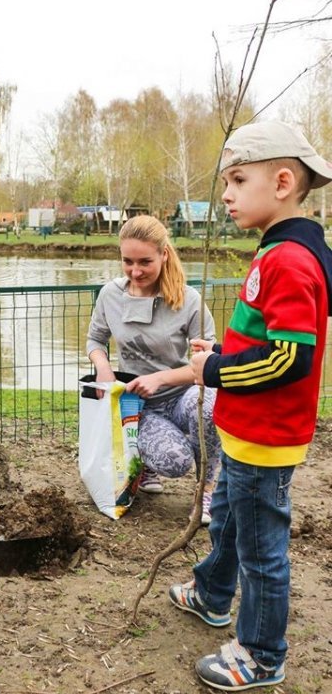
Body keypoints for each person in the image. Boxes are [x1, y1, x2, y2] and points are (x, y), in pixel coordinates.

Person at [170, 120, 332, 691]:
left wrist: (212, 370)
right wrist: (223, 350)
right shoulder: (279, 251)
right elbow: (270, 341)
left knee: (263, 551)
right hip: (245, 433)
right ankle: (213, 594)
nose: (228, 195)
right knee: (231, 521)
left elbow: (291, 359)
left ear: (283, 181)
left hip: (267, 438)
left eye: (238, 179)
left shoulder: (288, 260)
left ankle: (262, 654)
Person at [86, 214, 220, 524]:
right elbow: (95, 339)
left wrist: (161, 377)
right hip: (138, 404)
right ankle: (147, 460)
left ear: (164, 254)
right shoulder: (110, 295)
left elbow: (206, 363)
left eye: (145, 261)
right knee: (175, 462)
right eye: (127, 261)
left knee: (213, 409)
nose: (135, 271)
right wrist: (103, 366)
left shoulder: (189, 300)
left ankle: (209, 491)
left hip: (182, 394)